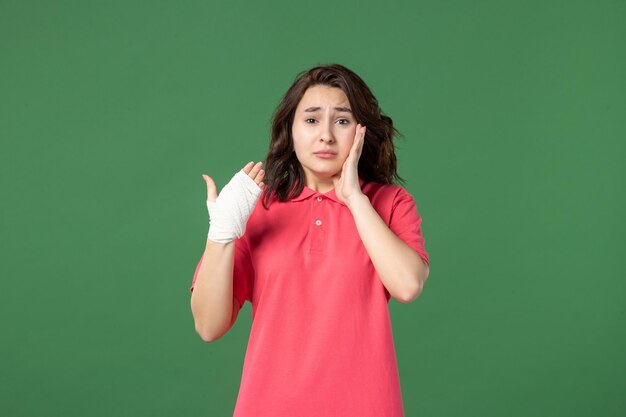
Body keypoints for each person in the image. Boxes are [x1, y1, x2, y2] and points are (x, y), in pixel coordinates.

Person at [189, 63, 430, 417]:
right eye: (312, 119)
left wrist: (355, 199)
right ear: (291, 129)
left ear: (361, 132)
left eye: (343, 120)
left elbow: (408, 286)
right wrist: (222, 233)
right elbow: (208, 326)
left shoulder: (390, 203)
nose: (327, 136)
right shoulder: (255, 209)